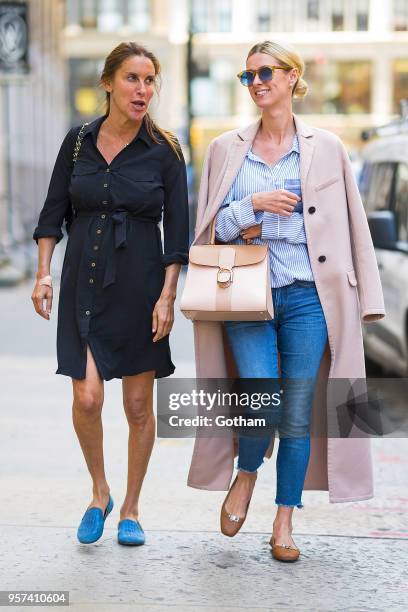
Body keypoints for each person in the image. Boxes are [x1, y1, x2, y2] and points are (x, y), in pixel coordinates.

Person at [188, 40, 385, 562]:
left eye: (266, 72)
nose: (256, 82)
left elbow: (352, 226)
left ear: (293, 77)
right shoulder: (226, 148)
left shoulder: (327, 147)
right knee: (262, 396)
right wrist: (250, 206)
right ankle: (247, 472)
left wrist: (369, 296)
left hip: (309, 298)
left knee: (298, 414)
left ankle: (283, 519)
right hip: (246, 295)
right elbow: (208, 227)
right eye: (247, 75)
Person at [31, 42, 189, 546]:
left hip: (141, 288)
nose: (142, 90)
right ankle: (100, 492)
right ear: (108, 83)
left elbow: (178, 235)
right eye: (132, 79)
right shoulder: (77, 142)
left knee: (139, 406)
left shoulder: (165, 151)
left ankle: (133, 509)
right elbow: (52, 212)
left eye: (149, 80)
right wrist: (43, 273)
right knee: (86, 396)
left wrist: (166, 298)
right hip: (83, 281)